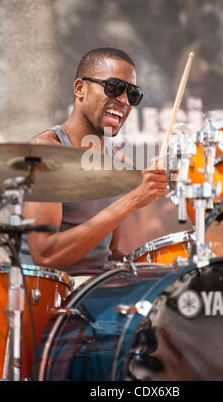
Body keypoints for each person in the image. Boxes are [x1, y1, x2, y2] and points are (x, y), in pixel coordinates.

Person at [22, 48, 168, 283]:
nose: (123, 100)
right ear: (80, 88)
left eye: (133, 94)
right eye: (113, 87)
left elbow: (107, 254)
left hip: (95, 296)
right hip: (50, 301)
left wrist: (153, 270)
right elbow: (45, 255)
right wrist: (131, 201)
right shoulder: (45, 153)